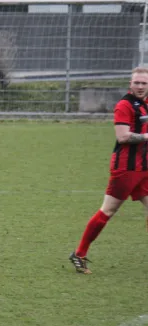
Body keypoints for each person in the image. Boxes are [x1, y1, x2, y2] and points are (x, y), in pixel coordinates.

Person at [69, 66, 148, 275]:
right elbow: (123, 136)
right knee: (108, 210)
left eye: (144, 83)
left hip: (144, 167)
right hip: (125, 168)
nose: (140, 86)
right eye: (137, 83)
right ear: (130, 84)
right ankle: (79, 253)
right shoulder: (124, 105)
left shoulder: (146, 104)